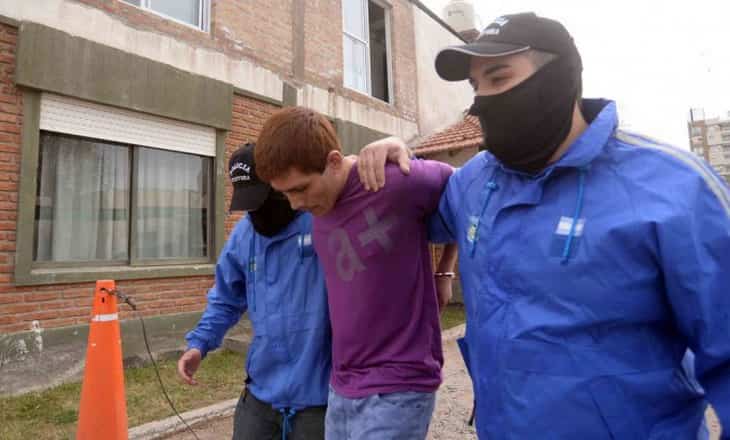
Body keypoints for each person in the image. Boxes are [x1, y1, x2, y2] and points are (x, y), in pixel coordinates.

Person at [357, 12, 730, 440]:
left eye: (499, 77)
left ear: (562, 74)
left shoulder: (676, 188)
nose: (483, 100)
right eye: (476, 86)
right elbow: (417, 217)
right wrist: (397, 158)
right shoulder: (476, 181)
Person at [252, 106, 458, 440]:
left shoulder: (390, 181)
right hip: (341, 387)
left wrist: (445, 271)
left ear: (333, 162)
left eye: (300, 189)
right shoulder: (318, 208)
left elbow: (467, 193)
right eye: (285, 193)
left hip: (398, 383)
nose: (294, 204)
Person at [178, 142, 331, 440]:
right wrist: (199, 343)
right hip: (261, 395)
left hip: (318, 400)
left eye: (261, 199)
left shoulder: (321, 221)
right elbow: (225, 298)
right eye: (248, 204)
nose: (256, 212)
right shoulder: (244, 236)